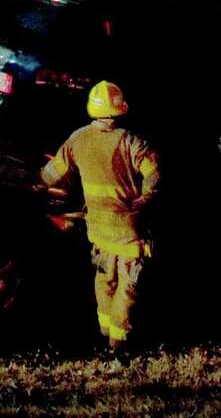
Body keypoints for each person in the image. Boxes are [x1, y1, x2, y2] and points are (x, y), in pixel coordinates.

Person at [40, 79, 160, 357]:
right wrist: (144, 199)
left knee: (105, 281)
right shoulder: (131, 141)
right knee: (127, 287)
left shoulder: (78, 139)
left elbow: (51, 174)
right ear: (120, 110)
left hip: (98, 229)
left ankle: (104, 332)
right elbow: (154, 175)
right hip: (128, 230)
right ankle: (118, 344)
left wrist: (33, 183)